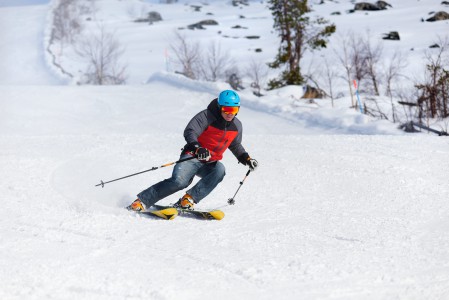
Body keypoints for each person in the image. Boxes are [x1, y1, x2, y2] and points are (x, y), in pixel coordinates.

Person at [127, 90, 258, 212]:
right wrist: (198, 148)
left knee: (220, 170)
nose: (230, 113)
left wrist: (246, 159)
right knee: (179, 182)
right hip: (192, 156)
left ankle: (188, 199)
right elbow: (190, 131)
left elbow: (235, 145)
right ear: (219, 107)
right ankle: (141, 201)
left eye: (234, 109)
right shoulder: (206, 116)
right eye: (226, 109)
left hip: (210, 162)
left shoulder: (237, 126)